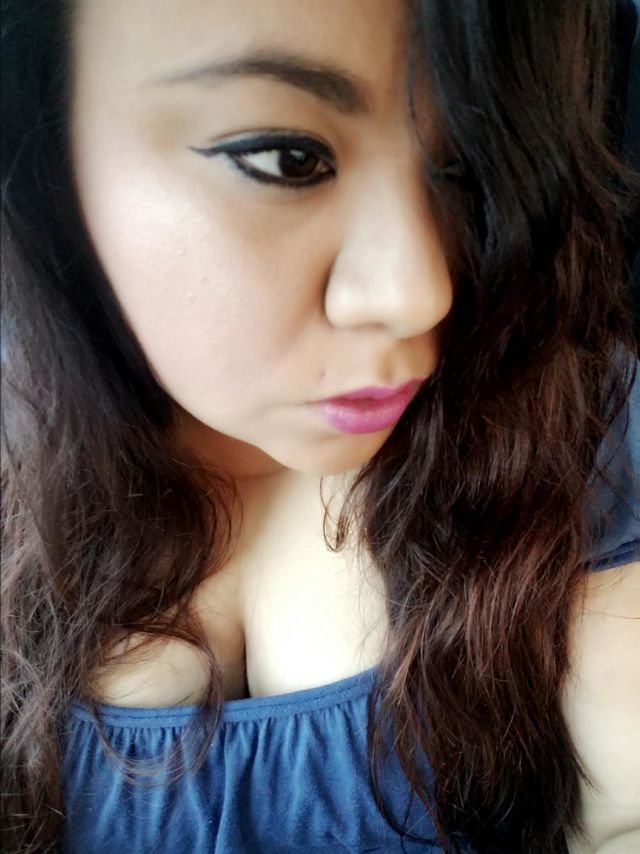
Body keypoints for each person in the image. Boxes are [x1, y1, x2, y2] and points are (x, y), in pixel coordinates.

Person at [1, 1, 639, 852]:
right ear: (41, 147)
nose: (420, 293)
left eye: (466, 171)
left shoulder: (579, 428)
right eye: (287, 158)